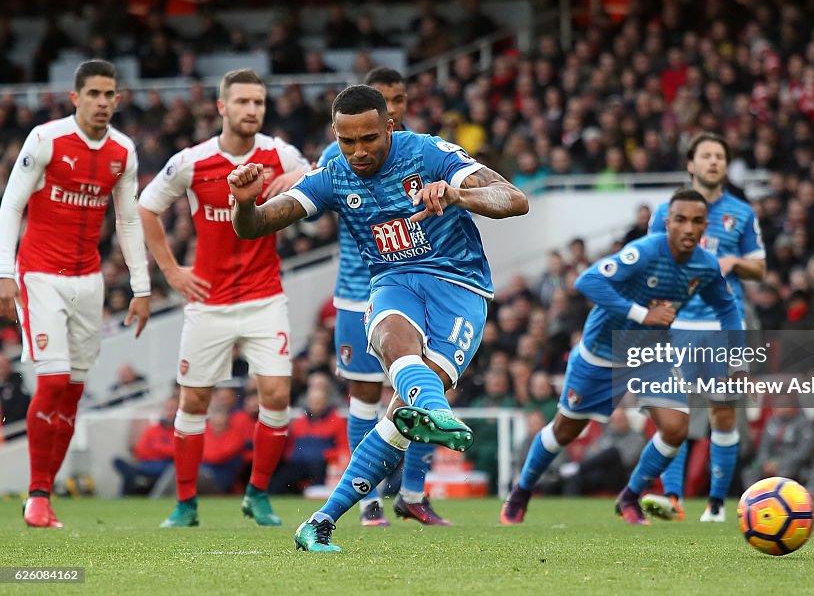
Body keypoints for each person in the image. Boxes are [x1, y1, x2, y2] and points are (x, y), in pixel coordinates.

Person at [227, 84, 528, 552]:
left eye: (369, 139)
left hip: (460, 288)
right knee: (390, 335)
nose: (358, 151)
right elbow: (256, 227)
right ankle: (435, 408)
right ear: (335, 135)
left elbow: (514, 200)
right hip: (394, 280)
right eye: (347, 141)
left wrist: (455, 193)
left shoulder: (428, 153)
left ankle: (321, 521)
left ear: (389, 127)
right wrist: (245, 204)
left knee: (396, 423)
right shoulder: (333, 174)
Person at [500, 189, 743, 525]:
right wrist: (643, 314)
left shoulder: (705, 266)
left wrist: (738, 357)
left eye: (697, 221)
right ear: (668, 224)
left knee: (675, 428)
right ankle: (521, 490)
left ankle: (630, 497)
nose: (689, 228)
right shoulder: (644, 252)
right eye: (682, 220)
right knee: (565, 431)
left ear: (706, 227)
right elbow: (588, 281)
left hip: (651, 354)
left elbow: (727, 308)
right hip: (602, 351)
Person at [138, 68, 310, 528]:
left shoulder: (279, 152)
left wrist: (297, 173)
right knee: (193, 403)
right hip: (209, 302)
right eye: (243, 102)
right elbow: (146, 207)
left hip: (264, 296)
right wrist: (172, 271)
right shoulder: (192, 161)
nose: (252, 110)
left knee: (276, 395)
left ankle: (257, 495)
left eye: (259, 102)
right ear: (222, 107)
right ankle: (185, 503)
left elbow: (319, 176)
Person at [0, 59, 151, 528]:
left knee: (74, 390)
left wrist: (141, 286)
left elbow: (127, 220)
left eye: (110, 95)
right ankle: (38, 494)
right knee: (52, 380)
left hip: (89, 282)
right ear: (76, 98)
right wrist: (5, 273)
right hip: (40, 274)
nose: (103, 102)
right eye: (94, 94)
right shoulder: (46, 139)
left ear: (117, 100)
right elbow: (11, 203)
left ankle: (43, 494)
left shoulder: (123, 151)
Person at [318, 68, 451, 525]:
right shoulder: (339, 157)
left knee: (420, 389)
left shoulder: (420, 154)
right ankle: (369, 500)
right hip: (359, 292)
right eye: (386, 99)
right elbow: (308, 189)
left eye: (398, 99)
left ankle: (413, 494)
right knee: (364, 395)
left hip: (416, 288)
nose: (393, 107)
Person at [643, 132, 765, 522]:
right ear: (691, 164)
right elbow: (648, 263)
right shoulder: (664, 211)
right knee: (673, 412)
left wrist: (732, 264)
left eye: (720, 156)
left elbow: (759, 267)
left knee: (723, 414)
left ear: (726, 165)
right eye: (706, 156)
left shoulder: (742, 213)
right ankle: (674, 499)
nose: (714, 162)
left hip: (723, 323)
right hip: (676, 322)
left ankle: (715, 505)